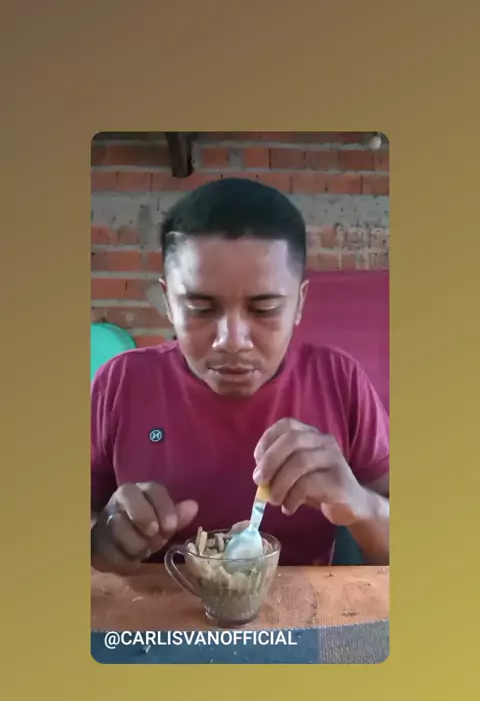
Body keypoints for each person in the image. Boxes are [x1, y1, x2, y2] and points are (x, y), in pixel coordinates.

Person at [91, 177, 389, 574]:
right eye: (200, 308)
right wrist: (99, 537)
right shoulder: (122, 383)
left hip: (306, 610)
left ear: (299, 303)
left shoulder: (338, 381)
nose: (231, 341)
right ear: (168, 302)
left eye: (264, 309)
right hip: (153, 607)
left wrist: (361, 506)